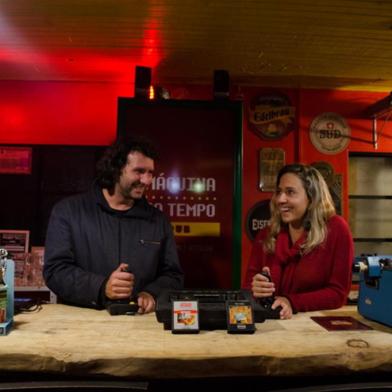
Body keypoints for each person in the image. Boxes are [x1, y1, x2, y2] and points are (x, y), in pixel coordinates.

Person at [43, 140, 184, 313]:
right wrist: (102, 287)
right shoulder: (69, 212)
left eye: (150, 173)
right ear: (116, 169)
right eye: (139, 171)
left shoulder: (158, 221)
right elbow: (55, 272)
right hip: (81, 327)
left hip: (141, 328)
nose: (147, 180)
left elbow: (173, 276)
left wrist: (151, 294)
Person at [244, 163, 353, 320]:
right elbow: (247, 289)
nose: (280, 199)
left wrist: (291, 301)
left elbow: (337, 294)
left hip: (314, 331)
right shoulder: (266, 235)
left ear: (311, 197)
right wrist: (255, 291)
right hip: (272, 328)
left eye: (290, 192)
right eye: (279, 192)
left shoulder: (336, 229)